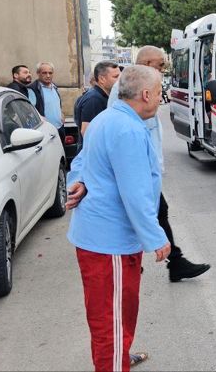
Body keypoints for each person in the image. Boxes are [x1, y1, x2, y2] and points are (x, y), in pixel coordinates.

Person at [66, 65, 171, 371]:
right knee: (109, 324)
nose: (161, 97)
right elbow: (135, 193)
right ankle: (115, 361)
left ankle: (120, 357)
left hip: (109, 241)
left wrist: (83, 179)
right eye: (160, 90)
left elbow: (85, 162)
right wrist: (156, 237)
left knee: (119, 315)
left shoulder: (109, 119)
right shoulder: (126, 128)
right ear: (147, 94)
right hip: (108, 244)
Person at [107, 46, 210, 282]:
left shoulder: (145, 87)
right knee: (148, 211)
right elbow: (124, 134)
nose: (164, 70)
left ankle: (170, 262)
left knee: (157, 210)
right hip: (135, 168)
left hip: (146, 167)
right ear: (145, 64)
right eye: (160, 65)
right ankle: (165, 260)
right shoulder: (124, 91)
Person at [76, 61, 121, 152]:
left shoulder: (102, 96)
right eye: (116, 77)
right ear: (102, 79)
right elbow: (86, 131)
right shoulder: (94, 99)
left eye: (120, 76)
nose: (120, 81)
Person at [29, 61, 64, 141]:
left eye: (50, 73)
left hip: (59, 128)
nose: (48, 76)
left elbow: (56, 104)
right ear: (38, 73)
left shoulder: (54, 87)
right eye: (44, 73)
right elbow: (30, 111)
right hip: (45, 132)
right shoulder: (33, 89)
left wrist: (61, 113)